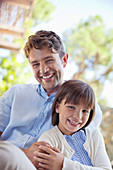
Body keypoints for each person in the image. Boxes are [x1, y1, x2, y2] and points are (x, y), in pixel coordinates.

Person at [0, 30, 102, 169]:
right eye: (35, 64)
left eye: (49, 60)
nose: (43, 70)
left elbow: (82, 157)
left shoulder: (85, 110)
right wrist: (24, 154)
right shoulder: (16, 93)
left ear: (64, 60)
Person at [36, 80, 112, 170]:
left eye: (85, 111)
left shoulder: (94, 135)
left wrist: (63, 165)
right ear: (57, 107)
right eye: (71, 107)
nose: (77, 117)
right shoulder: (48, 139)